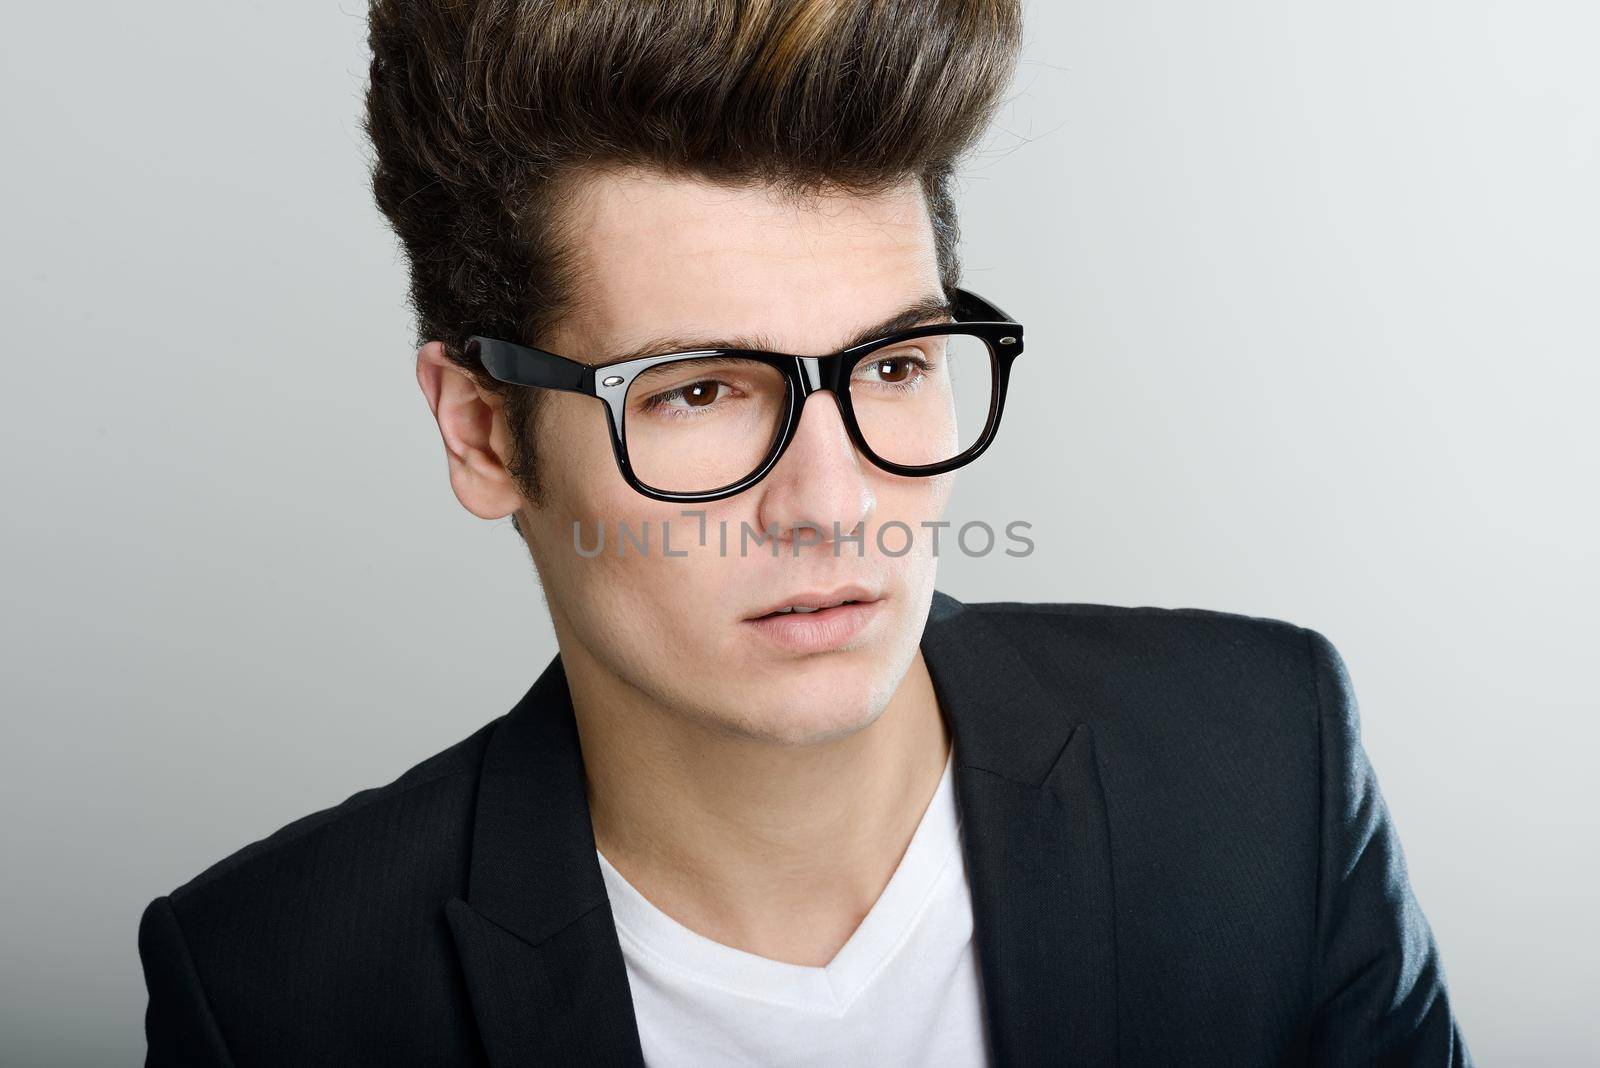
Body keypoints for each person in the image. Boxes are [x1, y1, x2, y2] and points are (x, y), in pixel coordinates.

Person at [137, 1, 1471, 1064]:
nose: (832, 504)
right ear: (485, 433)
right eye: (701, 391)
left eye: (893, 367)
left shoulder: (1264, 762)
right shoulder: (274, 992)